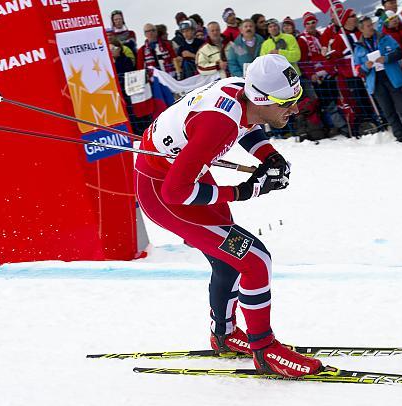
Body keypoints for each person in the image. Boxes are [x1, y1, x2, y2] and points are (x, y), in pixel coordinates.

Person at [133, 54, 322, 377]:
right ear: (262, 98)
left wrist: (270, 157)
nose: (294, 109)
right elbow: (175, 193)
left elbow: (246, 126)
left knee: (230, 260)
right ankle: (265, 350)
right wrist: (244, 191)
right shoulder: (217, 124)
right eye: (286, 103)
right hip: (167, 195)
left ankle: (224, 334)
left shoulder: (241, 93)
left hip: (187, 176)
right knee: (255, 259)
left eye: (296, 98)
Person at [355, 16, 402, 143]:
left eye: (371, 24)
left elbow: (399, 52)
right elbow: (358, 70)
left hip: (392, 77)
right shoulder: (358, 48)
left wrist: (386, 58)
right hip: (375, 81)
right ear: (361, 29)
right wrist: (365, 67)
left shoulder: (385, 38)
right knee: (388, 111)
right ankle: (400, 137)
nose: (371, 28)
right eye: (368, 26)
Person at [298, 11, 346, 135]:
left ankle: (338, 125)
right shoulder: (303, 40)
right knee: (327, 102)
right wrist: (311, 74)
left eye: (313, 22)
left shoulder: (320, 35)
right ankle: (340, 126)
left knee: (335, 99)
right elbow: (303, 60)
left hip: (328, 72)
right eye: (308, 23)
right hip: (316, 76)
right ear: (304, 25)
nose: (311, 25)